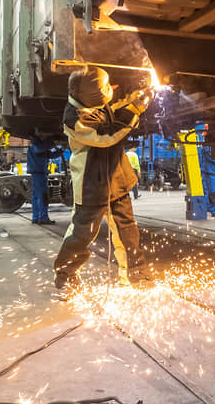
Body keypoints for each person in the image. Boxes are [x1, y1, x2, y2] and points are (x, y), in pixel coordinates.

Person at [54, 66, 151, 295]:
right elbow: (107, 136)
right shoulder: (75, 118)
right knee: (82, 234)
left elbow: (114, 107)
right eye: (105, 87)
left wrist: (134, 97)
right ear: (93, 93)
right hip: (91, 185)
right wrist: (134, 111)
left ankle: (136, 275)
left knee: (128, 232)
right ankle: (65, 277)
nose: (111, 89)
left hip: (117, 177)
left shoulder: (93, 102)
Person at [27, 136, 61, 224]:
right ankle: (43, 218)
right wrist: (52, 144)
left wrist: (61, 151)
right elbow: (39, 150)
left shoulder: (39, 145)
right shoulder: (35, 143)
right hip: (38, 173)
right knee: (42, 196)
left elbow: (50, 155)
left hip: (38, 173)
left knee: (36, 196)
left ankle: (36, 217)